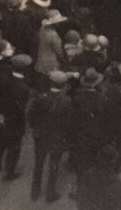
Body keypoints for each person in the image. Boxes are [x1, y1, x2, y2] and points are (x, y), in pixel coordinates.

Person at [29, 70, 72, 202]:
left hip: (41, 136)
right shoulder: (67, 101)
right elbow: (68, 122)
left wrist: (35, 127)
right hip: (57, 138)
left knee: (38, 164)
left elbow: (31, 115)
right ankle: (50, 194)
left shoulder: (41, 97)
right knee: (54, 165)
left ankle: (35, 192)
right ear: (64, 85)